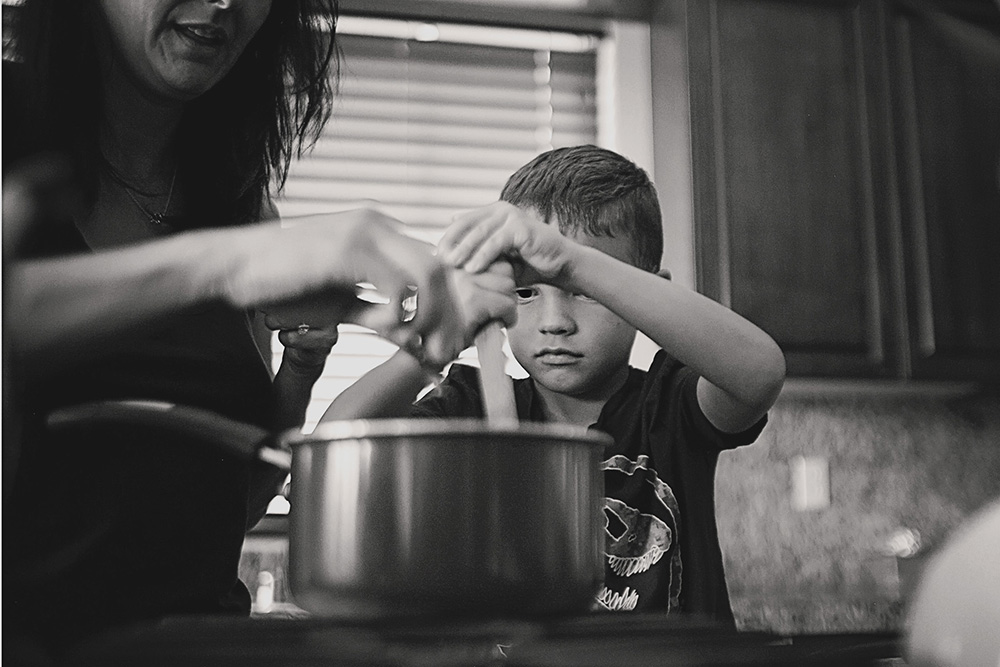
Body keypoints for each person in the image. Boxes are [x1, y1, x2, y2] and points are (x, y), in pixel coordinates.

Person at [2, 0, 514, 661]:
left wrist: (298, 373)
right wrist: (227, 265)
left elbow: (229, 509)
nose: (223, 1)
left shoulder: (237, 201)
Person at [322, 145, 786, 624]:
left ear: (644, 291)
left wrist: (573, 262)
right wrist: (430, 348)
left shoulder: (670, 405)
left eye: (582, 293)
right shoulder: (470, 407)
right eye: (526, 292)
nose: (554, 322)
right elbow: (331, 448)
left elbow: (758, 373)